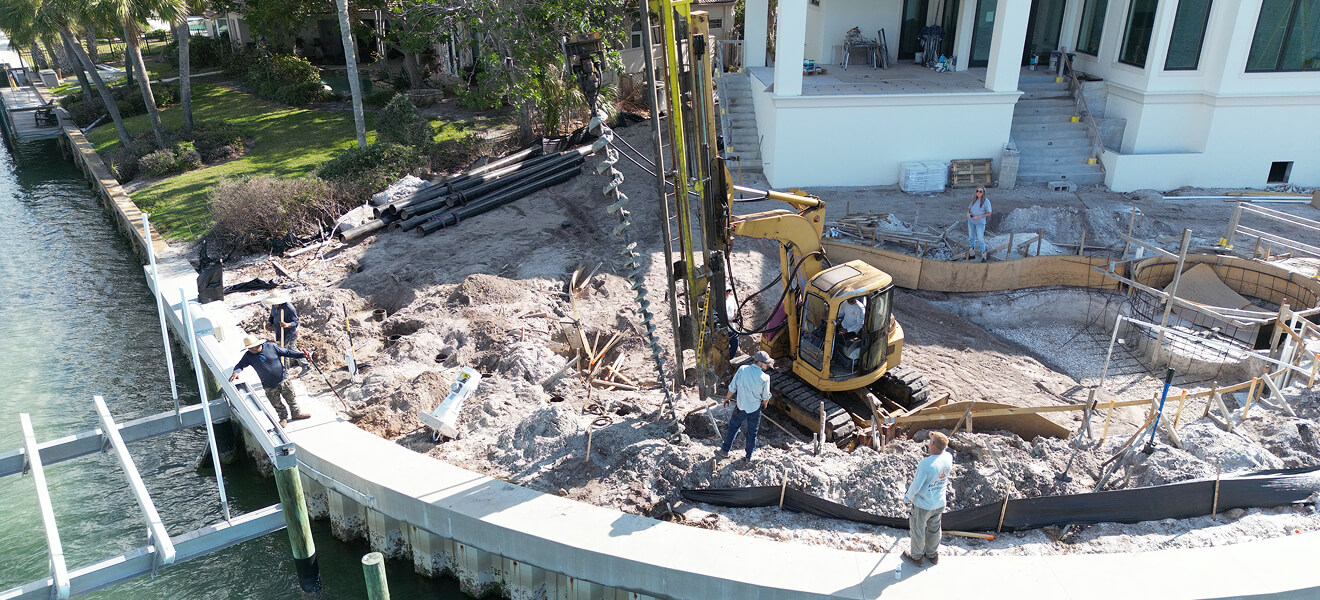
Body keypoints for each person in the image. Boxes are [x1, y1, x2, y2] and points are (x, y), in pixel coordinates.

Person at [230, 335, 311, 427]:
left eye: (252, 348)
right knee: (276, 403)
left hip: (283, 379)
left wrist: (302, 355)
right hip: (269, 385)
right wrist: (236, 372)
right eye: (249, 348)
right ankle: (283, 418)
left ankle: (296, 414)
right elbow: (240, 365)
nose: (251, 350)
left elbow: (287, 353)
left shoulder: (271, 347)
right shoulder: (248, 356)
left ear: (258, 345)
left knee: (291, 398)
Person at [902, 431, 953, 567]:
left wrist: (907, 497)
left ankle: (917, 557)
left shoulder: (926, 464)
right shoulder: (948, 457)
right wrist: (935, 435)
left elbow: (916, 485)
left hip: (923, 505)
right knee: (934, 529)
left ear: (931, 444)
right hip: (939, 502)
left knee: (918, 531)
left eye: (930, 441)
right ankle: (933, 555)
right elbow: (940, 444)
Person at [717, 350, 773, 462]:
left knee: (733, 427)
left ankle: (724, 451)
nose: (768, 365)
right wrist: (765, 404)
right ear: (759, 363)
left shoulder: (742, 369)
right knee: (752, 432)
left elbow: (732, 387)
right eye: (766, 363)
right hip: (754, 409)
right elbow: (766, 397)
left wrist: (727, 399)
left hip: (741, 406)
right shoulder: (765, 378)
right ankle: (748, 457)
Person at [967, 187, 992, 262]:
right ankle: (972, 254)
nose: (978, 193)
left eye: (980, 191)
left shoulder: (986, 202)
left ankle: (984, 256)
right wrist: (968, 213)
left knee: (980, 239)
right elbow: (969, 208)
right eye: (977, 191)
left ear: (983, 192)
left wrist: (979, 216)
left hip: (980, 223)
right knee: (971, 237)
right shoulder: (974, 199)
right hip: (971, 221)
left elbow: (989, 213)